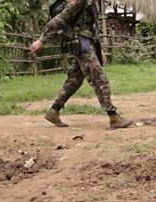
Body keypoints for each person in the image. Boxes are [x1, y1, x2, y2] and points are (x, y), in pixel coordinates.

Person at [29, 0, 133, 129]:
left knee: (75, 79)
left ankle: (53, 111)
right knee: (99, 78)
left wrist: (99, 51)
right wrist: (41, 40)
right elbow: (60, 19)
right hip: (81, 44)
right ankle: (113, 116)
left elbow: (92, 27)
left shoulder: (91, 3)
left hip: (86, 43)